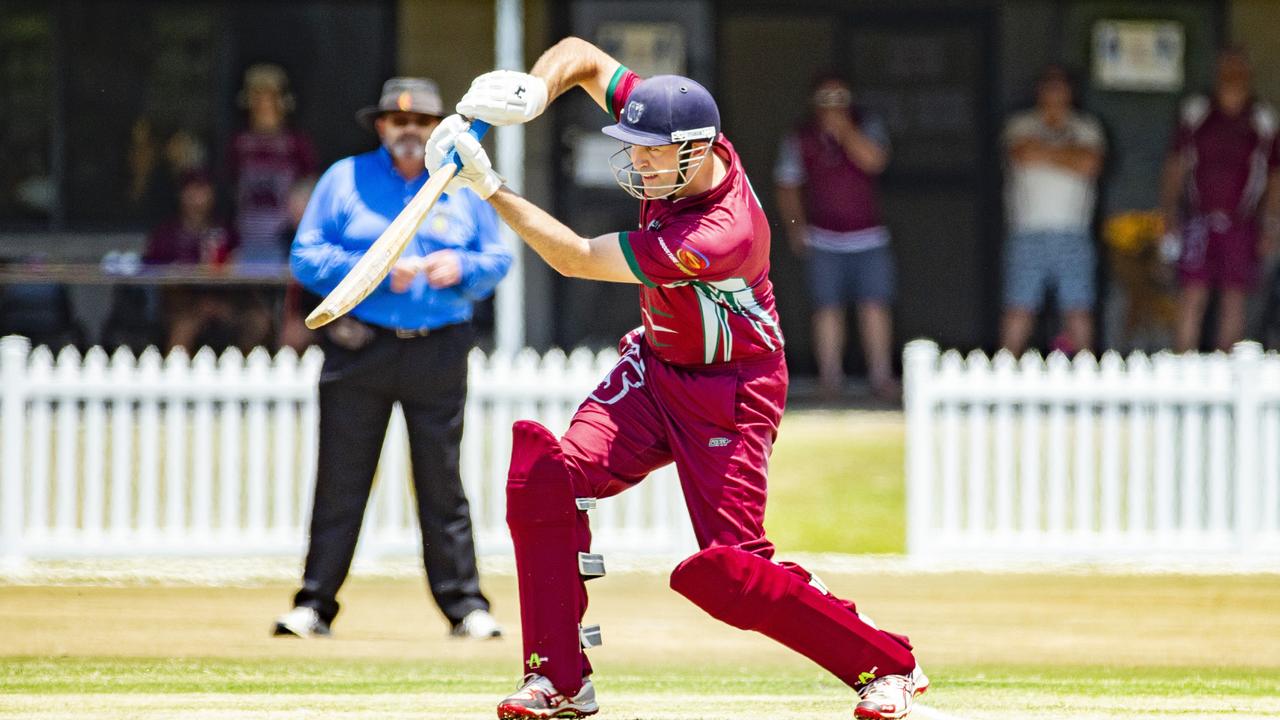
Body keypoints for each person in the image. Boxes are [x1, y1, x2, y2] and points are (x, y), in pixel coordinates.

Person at [432, 36, 928, 719]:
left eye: (649, 149)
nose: (634, 158)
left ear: (696, 150)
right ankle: (558, 680)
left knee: (732, 573)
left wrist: (488, 188)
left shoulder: (716, 235)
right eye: (631, 142)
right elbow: (578, 53)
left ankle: (887, 665)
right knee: (546, 477)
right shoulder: (673, 123)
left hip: (732, 392)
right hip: (655, 366)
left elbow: (576, 257)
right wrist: (533, 94)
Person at [276, 77, 512, 640]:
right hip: (362, 342)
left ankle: (466, 608)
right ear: (381, 126)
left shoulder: (461, 182)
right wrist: (374, 266)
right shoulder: (344, 178)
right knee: (341, 478)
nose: (410, 132)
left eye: (422, 123)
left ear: (437, 130)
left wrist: (465, 269)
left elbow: (498, 257)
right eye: (398, 121)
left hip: (439, 342)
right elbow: (305, 257)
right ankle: (314, 604)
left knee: (441, 480)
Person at [775, 72, 897, 401]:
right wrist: (794, 226)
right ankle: (830, 380)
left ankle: (880, 377)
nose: (833, 108)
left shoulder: (866, 124)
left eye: (840, 100)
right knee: (826, 308)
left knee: (875, 305)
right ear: (814, 104)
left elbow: (875, 161)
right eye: (826, 101)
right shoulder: (800, 137)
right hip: (823, 237)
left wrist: (845, 131)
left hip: (869, 235)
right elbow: (786, 186)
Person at [1161, 48, 1280, 353]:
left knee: (1234, 296)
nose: (1232, 75)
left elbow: (1274, 176)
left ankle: (1227, 371)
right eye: (1227, 68)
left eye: (1239, 68)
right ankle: (1182, 367)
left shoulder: (1262, 118)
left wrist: (1270, 223)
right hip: (1198, 218)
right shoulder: (1197, 111)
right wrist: (1170, 213)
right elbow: (1177, 164)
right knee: (1192, 294)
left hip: (1241, 222)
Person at [1000, 65, 1106, 356]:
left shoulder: (1086, 126)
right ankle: (1005, 379)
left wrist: (1046, 153)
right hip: (1027, 232)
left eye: (1060, 86)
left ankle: (1086, 381)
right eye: (1049, 86)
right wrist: (1068, 155)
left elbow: (1090, 165)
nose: (1055, 92)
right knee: (1019, 309)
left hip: (1074, 232)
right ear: (1039, 91)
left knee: (1078, 310)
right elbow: (1022, 155)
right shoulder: (1021, 124)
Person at [141, 170, 271, 353]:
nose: (197, 197)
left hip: (225, 300)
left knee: (258, 320)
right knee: (184, 328)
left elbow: (237, 264)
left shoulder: (224, 230)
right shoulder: (167, 233)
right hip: (183, 305)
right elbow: (151, 270)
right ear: (182, 194)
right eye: (192, 191)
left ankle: (246, 374)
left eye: (202, 190)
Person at [228, 63, 318, 265]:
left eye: (270, 96)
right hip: (246, 237)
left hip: (286, 240)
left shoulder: (296, 144)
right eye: (257, 96)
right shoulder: (239, 143)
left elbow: (309, 190)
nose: (264, 104)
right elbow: (232, 188)